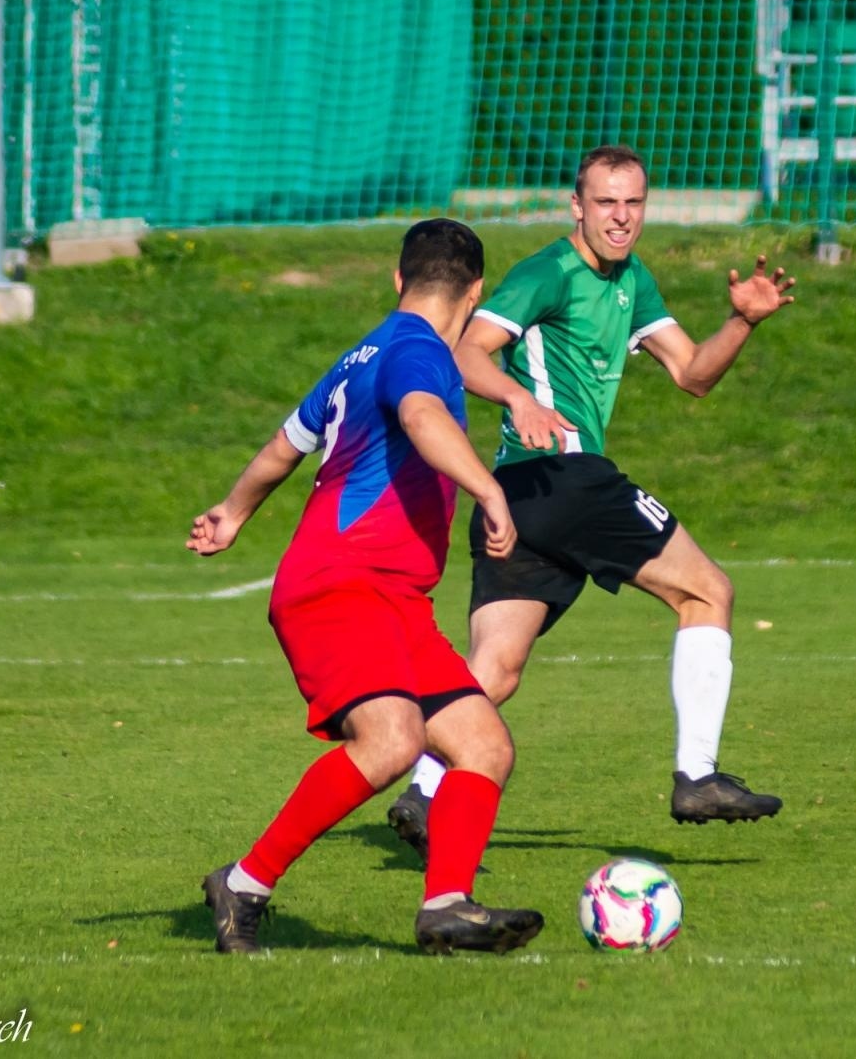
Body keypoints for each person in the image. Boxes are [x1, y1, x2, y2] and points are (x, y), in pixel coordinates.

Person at [387, 145, 797, 858]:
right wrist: (519, 396)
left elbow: (693, 375)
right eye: (606, 202)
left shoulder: (633, 281)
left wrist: (743, 323)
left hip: (517, 499)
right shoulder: (548, 272)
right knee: (707, 592)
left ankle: (421, 786)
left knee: (495, 667)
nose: (621, 217)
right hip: (564, 475)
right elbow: (464, 350)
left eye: (633, 203)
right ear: (577, 206)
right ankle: (696, 776)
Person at [187, 218, 543, 956]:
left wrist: (232, 512)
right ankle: (244, 884)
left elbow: (283, 447)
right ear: (475, 293)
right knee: (391, 741)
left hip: (391, 598)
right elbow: (420, 416)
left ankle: (446, 904)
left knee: (483, 745)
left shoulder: (362, 353)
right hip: (340, 584)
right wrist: (489, 491)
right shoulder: (419, 353)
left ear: (397, 279)